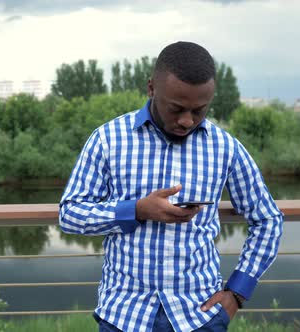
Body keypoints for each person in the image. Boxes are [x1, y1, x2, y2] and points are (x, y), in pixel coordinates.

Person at [59, 41, 283, 332]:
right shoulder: (108, 139)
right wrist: (137, 210)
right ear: (152, 88)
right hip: (123, 316)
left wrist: (238, 292)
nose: (187, 120)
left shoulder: (226, 148)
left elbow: (268, 219)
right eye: (176, 109)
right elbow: (70, 214)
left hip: (200, 317)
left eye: (199, 110)